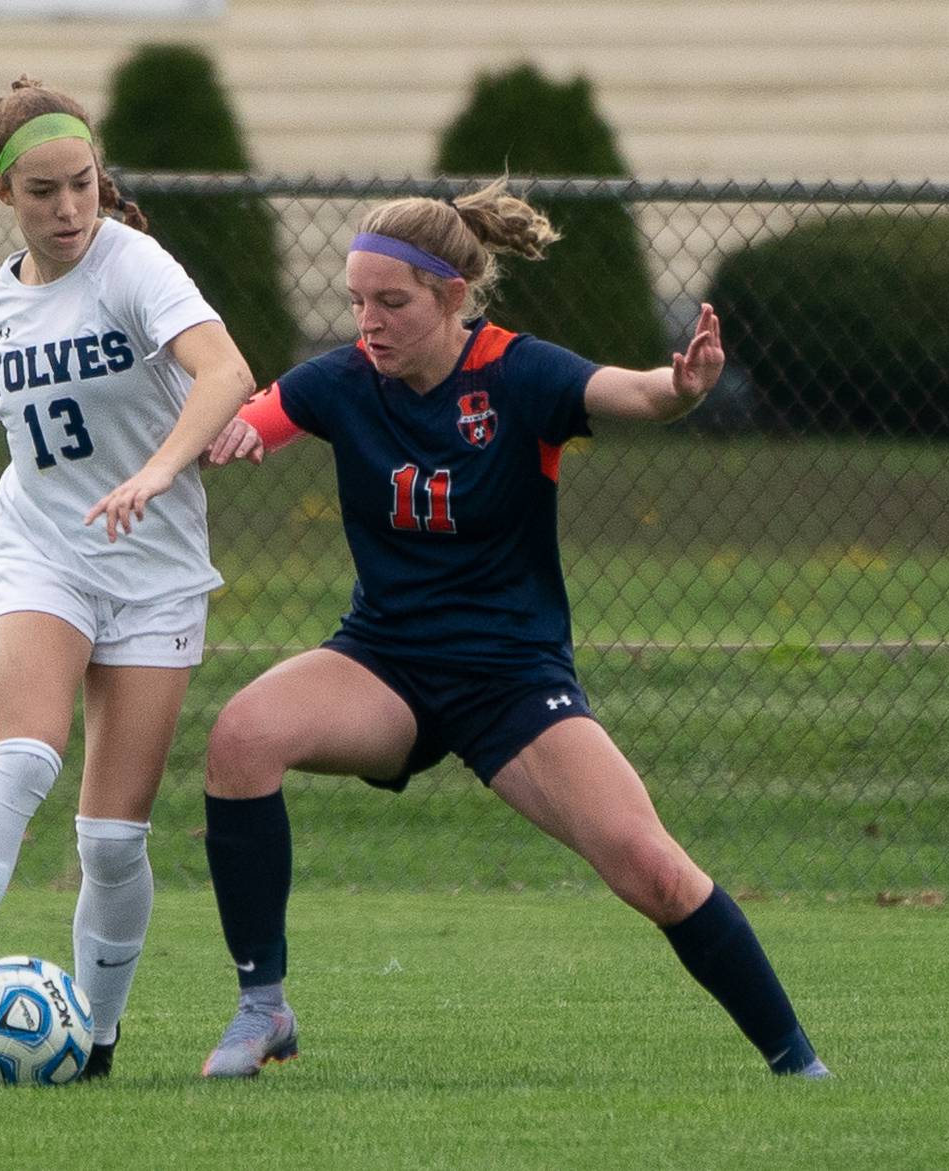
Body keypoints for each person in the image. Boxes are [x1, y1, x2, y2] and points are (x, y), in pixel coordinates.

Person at [194, 180, 830, 1080]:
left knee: (651, 868)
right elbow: (256, 416)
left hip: (511, 679)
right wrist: (228, 435)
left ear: (452, 296)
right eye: (356, 302)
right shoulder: (343, 381)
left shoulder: (517, 373)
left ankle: (798, 1064)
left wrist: (681, 389)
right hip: (386, 664)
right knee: (242, 736)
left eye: (392, 302)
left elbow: (635, 394)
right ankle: (264, 1008)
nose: (367, 322)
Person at [0, 76, 255, 1078]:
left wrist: (156, 469)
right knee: (25, 758)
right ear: (2, 193)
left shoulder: (134, 263)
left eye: (82, 185)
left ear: (103, 179)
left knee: (108, 838)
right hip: (44, 551)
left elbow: (227, 372)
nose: (66, 210)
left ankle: (94, 1038)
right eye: (43, 192)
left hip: (152, 571)